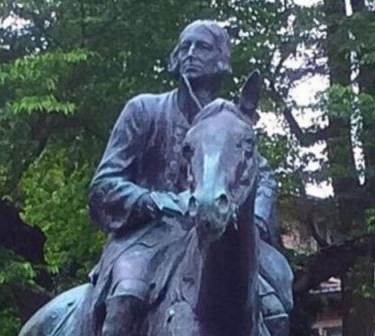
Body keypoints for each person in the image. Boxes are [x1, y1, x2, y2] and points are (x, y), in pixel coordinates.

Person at [87, 20, 292, 336]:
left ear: (221, 59)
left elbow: (261, 176)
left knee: (275, 310)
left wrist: (257, 221)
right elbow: (104, 185)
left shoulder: (229, 124)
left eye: (203, 47)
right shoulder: (143, 110)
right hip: (149, 236)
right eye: (185, 46)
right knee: (127, 296)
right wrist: (155, 200)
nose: (191, 54)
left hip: (215, 239)